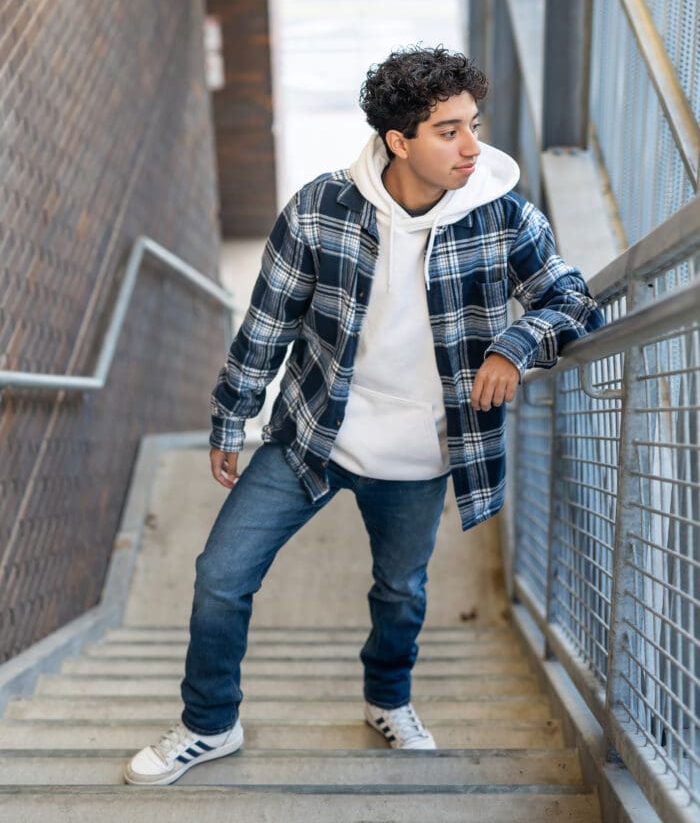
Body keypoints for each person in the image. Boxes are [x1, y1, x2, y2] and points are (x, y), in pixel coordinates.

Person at [124, 46, 603, 785]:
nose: (472, 147)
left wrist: (514, 346)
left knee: (399, 592)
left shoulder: (504, 213)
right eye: (449, 132)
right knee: (221, 574)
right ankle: (209, 722)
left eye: (473, 125)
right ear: (398, 141)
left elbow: (571, 298)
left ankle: (388, 699)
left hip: (422, 457)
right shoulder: (322, 209)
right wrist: (231, 418)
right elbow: (266, 325)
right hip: (311, 438)